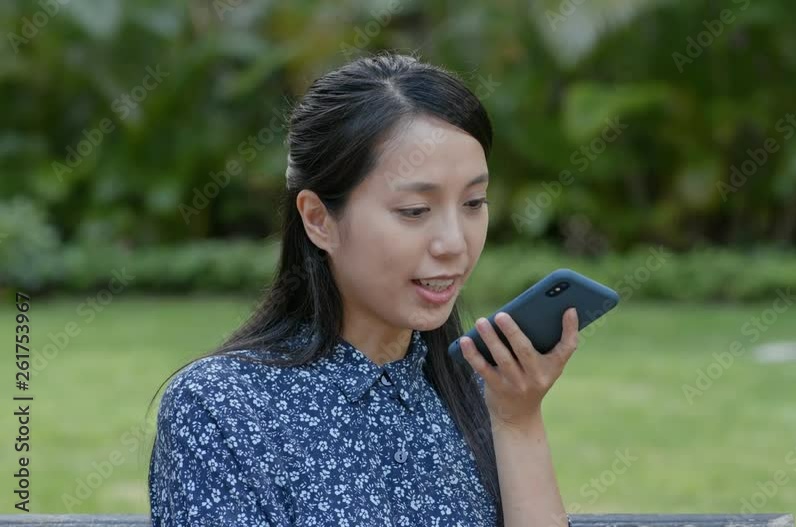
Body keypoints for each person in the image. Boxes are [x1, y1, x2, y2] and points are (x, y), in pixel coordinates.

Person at [147, 53, 579, 527]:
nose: (455, 243)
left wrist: (518, 422)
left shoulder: (481, 388)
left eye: (474, 202)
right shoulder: (221, 408)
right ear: (318, 219)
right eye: (415, 210)